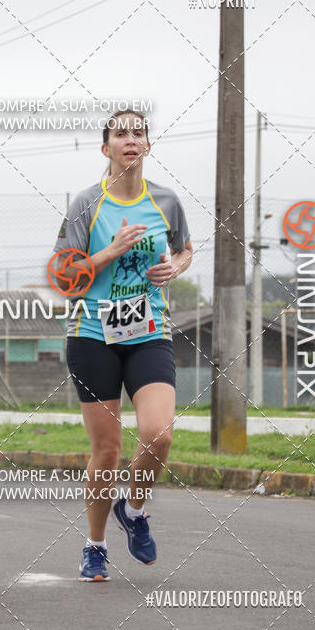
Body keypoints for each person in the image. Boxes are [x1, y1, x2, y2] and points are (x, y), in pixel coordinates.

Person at [53, 109, 192, 582]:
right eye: (120, 133)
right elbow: (64, 278)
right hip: (93, 335)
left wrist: (176, 266)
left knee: (159, 434)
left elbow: (185, 248)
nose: (130, 139)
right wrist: (109, 251)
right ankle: (94, 546)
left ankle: (134, 510)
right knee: (107, 451)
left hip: (149, 331)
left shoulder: (167, 201)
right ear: (105, 148)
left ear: (148, 146)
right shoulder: (85, 205)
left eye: (139, 132)